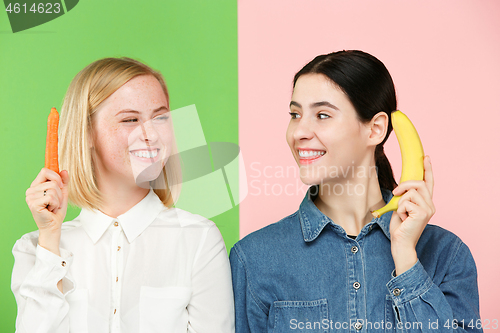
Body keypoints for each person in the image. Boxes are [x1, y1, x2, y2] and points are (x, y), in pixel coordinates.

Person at [230, 50, 482, 332]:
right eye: (295, 114)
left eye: (322, 115)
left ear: (375, 129)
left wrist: (407, 261)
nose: (299, 131)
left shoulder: (447, 256)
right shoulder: (253, 259)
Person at [12, 57, 235, 333]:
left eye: (161, 117)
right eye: (130, 119)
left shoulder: (199, 239)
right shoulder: (35, 249)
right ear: (87, 133)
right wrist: (49, 240)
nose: (151, 134)